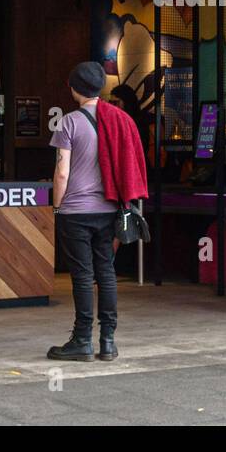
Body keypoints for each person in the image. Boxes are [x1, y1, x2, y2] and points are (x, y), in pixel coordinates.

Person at [47, 61, 146, 362]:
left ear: (74, 88)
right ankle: (107, 341)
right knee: (106, 272)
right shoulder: (120, 119)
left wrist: (57, 205)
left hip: (75, 212)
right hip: (108, 210)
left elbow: (61, 171)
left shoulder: (69, 122)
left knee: (82, 276)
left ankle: (81, 340)